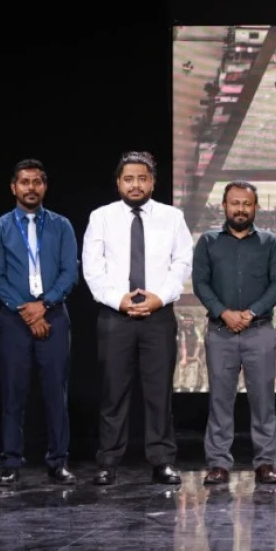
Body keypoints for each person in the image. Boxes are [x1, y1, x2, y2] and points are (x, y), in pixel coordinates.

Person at [82, 151, 193, 486]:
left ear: (152, 182)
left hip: (158, 316)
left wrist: (160, 297)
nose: (135, 184)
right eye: (128, 178)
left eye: (142, 178)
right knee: (113, 392)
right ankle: (108, 461)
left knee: (159, 393)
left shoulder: (172, 217)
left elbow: (182, 263)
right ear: (118, 183)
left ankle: (162, 461)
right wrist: (119, 300)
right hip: (116, 316)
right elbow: (92, 267)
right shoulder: (101, 217)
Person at [0, 159, 79, 487]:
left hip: (54, 317)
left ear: (45, 186)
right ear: (14, 187)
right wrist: (27, 311)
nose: (31, 188)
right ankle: (11, 462)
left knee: (56, 392)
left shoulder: (62, 225)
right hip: (14, 319)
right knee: (13, 392)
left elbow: (69, 273)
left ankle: (58, 461)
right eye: (24, 182)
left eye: (37, 182)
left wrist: (45, 305)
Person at [193, 181, 276, 487]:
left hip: (259, 331)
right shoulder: (208, 242)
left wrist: (250, 313)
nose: (241, 209)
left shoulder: (270, 243)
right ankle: (219, 464)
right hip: (221, 332)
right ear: (224, 206)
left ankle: (265, 463)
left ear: (256, 207)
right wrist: (224, 313)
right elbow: (201, 283)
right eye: (235, 203)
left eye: (247, 204)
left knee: (263, 402)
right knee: (220, 401)